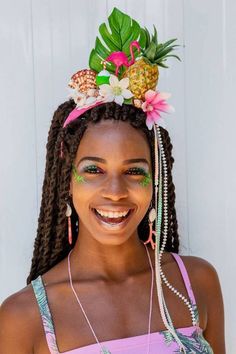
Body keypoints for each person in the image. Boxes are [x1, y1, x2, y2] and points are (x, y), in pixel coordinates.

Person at [0, 7, 225, 354]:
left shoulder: (195, 283)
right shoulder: (23, 317)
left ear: (156, 180)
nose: (116, 192)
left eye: (134, 171)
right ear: (67, 181)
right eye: (94, 170)